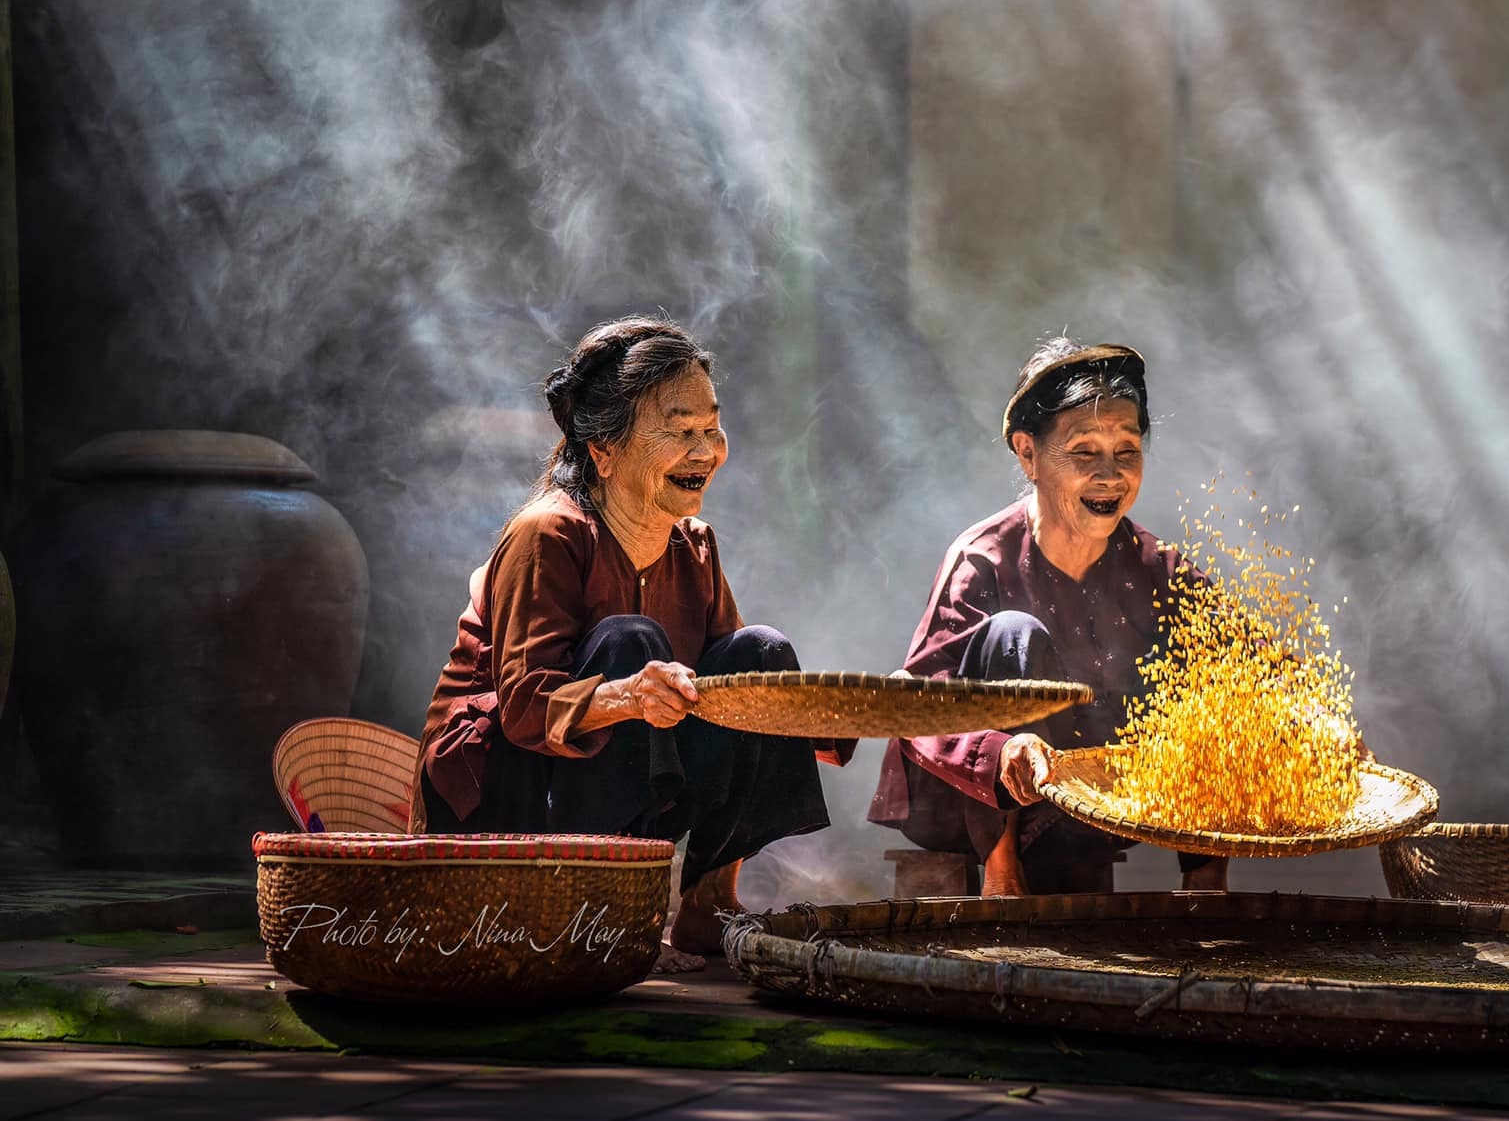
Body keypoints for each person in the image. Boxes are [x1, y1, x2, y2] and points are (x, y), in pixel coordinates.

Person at [411, 316, 852, 969]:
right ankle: (603, 916)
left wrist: (814, 709)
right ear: (605, 450)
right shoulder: (548, 535)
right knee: (631, 643)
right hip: (505, 788)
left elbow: (725, 695)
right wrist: (625, 695)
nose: (706, 450)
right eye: (680, 432)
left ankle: (705, 904)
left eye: (711, 429)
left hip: (607, 779)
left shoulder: (694, 545)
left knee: (761, 655)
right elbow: (528, 707)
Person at [867, 336, 1229, 896]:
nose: (1110, 475)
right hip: (960, 797)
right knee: (1015, 634)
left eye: (1127, 451)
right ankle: (1002, 870)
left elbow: (1252, 661)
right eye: (1084, 452)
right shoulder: (982, 557)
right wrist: (1002, 749)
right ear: (1028, 453)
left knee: (1211, 666)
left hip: (1085, 796)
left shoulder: (1157, 567)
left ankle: (1207, 883)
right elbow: (914, 705)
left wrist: (1317, 721)